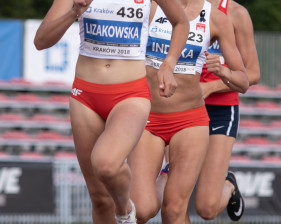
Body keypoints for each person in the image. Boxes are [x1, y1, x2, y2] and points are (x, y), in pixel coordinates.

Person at [34, 0, 189, 223]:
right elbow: (40, 41)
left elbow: (181, 21)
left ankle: (125, 210)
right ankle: (120, 209)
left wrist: (168, 64)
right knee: (99, 199)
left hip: (130, 94)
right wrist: (73, 14)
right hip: (85, 95)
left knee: (106, 164)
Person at [127, 0, 249, 223]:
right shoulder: (150, 7)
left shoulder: (216, 18)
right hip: (148, 117)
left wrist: (222, 70)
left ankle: (225, 184)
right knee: (142, 210)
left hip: (190, 120)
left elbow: (243, 80)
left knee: (174, 209)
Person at [193, 0, 260, 222]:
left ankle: (229, 184)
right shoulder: (177, 6)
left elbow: (253, 73)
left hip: (220, 109)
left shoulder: (236, 13)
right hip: (182, 105)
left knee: (206, 208)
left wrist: (211, 86)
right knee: (171, 198)